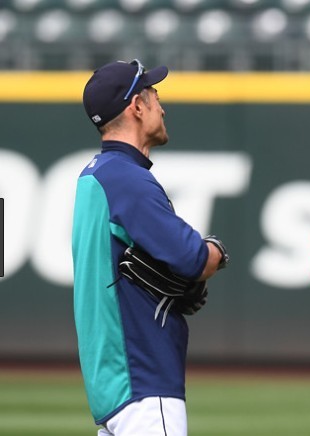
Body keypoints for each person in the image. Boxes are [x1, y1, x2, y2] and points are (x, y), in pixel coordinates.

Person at [72, 59, 228, 435]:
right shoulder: (127, 179)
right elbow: (193, 259)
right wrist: (217, 251)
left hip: (112, 385)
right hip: (143, 380)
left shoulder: (93, 175)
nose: (161, 106)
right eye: (154, 95)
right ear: (136, 107)